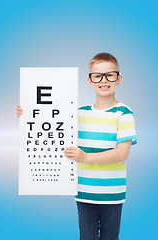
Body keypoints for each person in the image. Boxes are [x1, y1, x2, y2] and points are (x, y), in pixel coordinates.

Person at [16, 52, 137, 240]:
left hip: (112, 193)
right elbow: (47, 117)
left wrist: (86, 157)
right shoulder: (78, 113)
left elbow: (122, 154)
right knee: (86, 237)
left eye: (109, 75)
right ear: (89, 81)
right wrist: (26, 111)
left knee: (110, 237)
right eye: (97, 76)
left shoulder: (123, 113)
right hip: (83, 192)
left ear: (118, 78)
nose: (103, 80)